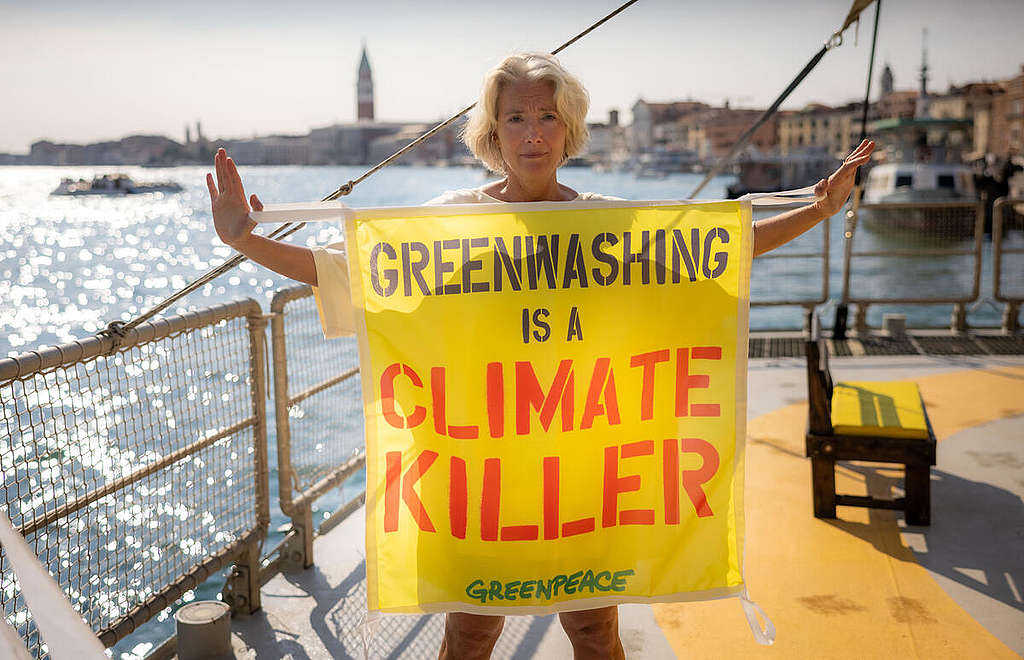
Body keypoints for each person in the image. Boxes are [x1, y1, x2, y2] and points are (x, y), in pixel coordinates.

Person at [207, 52, 874, 660]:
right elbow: (345, 271)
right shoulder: (452, 222)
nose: (532, 133)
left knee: (593, 631)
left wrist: (819, 208)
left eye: (547, 117)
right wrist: (246, 240)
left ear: (569, 128)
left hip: (582, 474)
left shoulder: (605, 222)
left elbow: (721, 251)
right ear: (493, 134)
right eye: (516, 117)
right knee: (470, 633)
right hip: (480, 479)